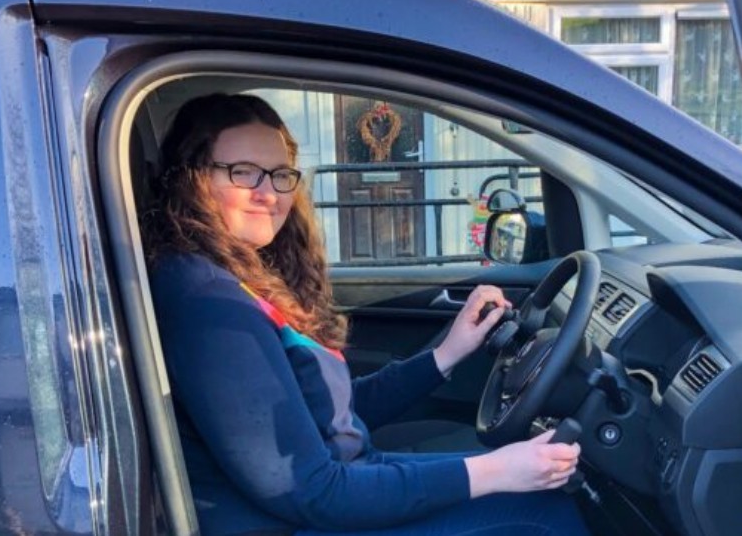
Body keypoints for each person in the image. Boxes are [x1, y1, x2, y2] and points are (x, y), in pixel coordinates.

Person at [143, 93, 590, 536]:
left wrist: (447, 354)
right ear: (193, 178)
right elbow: (313, 492)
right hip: (299, 520)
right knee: (545, 513)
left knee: (536, 491)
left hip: (338, 488)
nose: (268, 193)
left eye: (280, 175)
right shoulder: (209, 304)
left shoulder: (233, 277)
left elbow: (334, 415)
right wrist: (497, 471)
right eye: (243, 173)